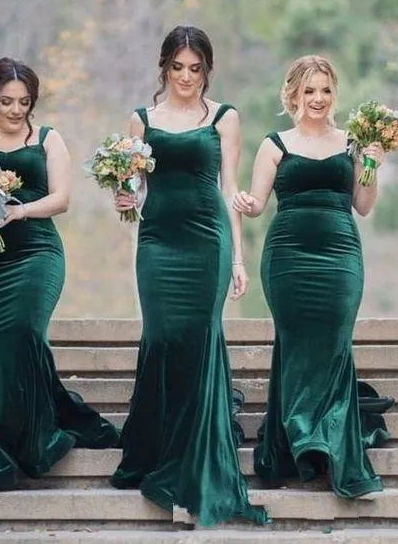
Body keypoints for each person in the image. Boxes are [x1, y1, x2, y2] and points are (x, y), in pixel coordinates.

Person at [110, 26, 269, 526]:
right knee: (160, 337)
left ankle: (197, 456)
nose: (186, 77)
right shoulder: (140, 121)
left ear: (207, 69)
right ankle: (158, 449)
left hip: (207, 243)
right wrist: (125, 199)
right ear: (164, 68)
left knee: (200, 340)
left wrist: (239, 260)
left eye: (195, 68)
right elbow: (133, 191)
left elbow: (230, 191)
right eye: (177, 67)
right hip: (157, 242)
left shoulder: (224, 118)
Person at [0, 57, 120, 490]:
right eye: (6, 101)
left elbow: (60, 199)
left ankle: (29, 440)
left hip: (36, 254)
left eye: (24, 101)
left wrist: (18, 212)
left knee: (22, 331)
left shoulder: (48, 139)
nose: (16, 109)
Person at [233, 55, 391, 498]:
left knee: (334, 343)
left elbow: (363, 204)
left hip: (340, 256)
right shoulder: (275, 144)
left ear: (333, 94)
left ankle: (327, 443)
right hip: (288, 257)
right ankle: (300, 440)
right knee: (298, 345)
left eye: (324, 90)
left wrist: (374, 162)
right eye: (309, 91)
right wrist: (244, 203)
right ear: (293, 95)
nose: (318, 99)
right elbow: (258, 204)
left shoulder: (352, 142)